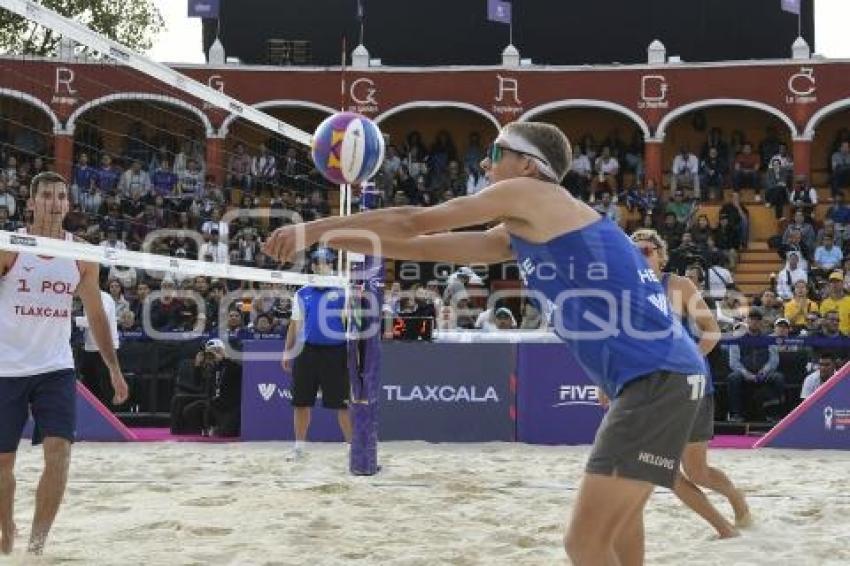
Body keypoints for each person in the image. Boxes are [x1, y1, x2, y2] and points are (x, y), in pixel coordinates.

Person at [264, 121, 708, 564]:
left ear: (529, 165)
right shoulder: (533, 228)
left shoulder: (533, 194)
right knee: (621, 529)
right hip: (667, 376)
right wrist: (332, 238)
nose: (484, 162)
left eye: (496, 154)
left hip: (655, 379)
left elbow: (414, 220)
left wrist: (313, 228)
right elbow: (424, 248)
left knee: (584, 544)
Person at [0, 172, 129, 555]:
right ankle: (6, 524)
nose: (54, 202)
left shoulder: (82, 254)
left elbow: (96, 315)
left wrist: (114, 369)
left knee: (60, 451)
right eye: (46, 196)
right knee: (4, 461)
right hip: (6, 367)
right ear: (32, 202)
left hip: (55, 367)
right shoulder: (9, 247)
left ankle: (36, 547)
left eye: (60, 196)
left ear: (68, 205)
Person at [628, 230, 750, 537]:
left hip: (689, 384)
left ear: (660, 254)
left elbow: (711, 330)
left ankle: (737, 500)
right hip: (652, 388)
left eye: (646, 250)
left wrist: (691, 360)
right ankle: (725, 529)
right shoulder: (627, 290)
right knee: (663, 470)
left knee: (698, 472)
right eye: (634, 251)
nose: (640, 255)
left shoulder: (679, 286)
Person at [282, 248, 351, 460]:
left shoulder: (344, 290)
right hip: (307, 352)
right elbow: (295, 324)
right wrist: (287, 352)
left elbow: (352, 324)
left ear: (331, 265)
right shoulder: (302, 292)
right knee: (301, 402)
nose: (322, 266)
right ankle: (299, 448)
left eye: (326, 262)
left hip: (336, 352)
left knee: (343, 404)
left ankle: (352, 448)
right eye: (318, 262)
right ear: (312, 266)